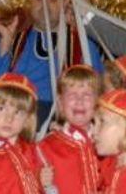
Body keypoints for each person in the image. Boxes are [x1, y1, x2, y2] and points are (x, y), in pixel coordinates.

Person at [0, 0, 104, 126]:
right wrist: (5, 44)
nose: (44, 6)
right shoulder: (14, 35)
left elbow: (96, 94)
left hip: (59, 122)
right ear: (30, 0)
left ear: (67, 2)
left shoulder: (81, 41)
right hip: (13, 117)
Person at [38, 65, 102, 194]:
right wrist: (41, 184)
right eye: (72, 95)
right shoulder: (46, 147)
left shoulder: (108, 143)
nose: (79, 101)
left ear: (97, 103)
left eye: (87, 95)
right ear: (61, 104)